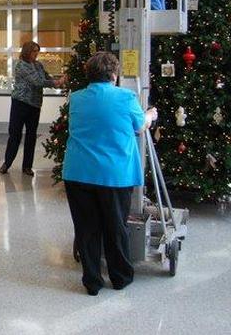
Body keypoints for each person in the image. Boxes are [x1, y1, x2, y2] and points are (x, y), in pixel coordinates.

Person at [62, 52, 157, 296]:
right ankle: (120, 277)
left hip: (78, 172)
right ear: (114, 76)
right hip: (113, 175)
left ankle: (92, 281)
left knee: (87, 228)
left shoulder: (77, 98)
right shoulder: (126, 97)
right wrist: (150, 115)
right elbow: (139, 126)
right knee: (115, 226)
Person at [0, 41, 65, 176]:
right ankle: (7, 163)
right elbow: (37, 82)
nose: (36, 54)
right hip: (20, 103)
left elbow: (47, 77)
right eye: (34, 51)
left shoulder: (38, 65)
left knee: (31, 136)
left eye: (37, 51)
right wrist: (55, 83)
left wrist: (59, 82)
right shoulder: (21, 66)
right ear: (27, 51)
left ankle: (27, 167)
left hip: (34, 105)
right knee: (15, 134)